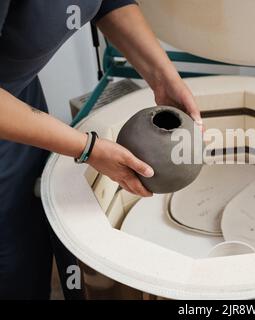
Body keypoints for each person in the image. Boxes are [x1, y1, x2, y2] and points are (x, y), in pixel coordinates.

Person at [0, 1, 202, 299]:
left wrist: (162, 77)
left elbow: (107, 2)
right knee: (11, 261)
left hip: (19, 97)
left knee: (34, 235)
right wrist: (88, 148)